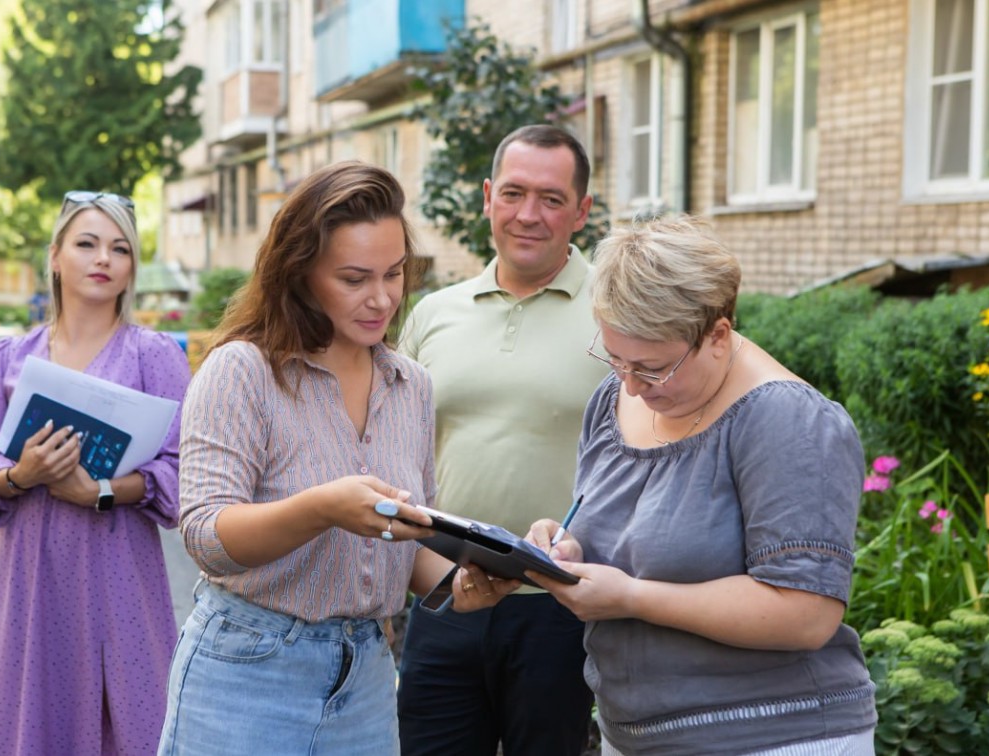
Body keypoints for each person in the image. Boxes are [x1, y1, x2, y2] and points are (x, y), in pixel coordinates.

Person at [157, 161, 486, 756]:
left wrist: (466, 584)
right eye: (355, 278)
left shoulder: (410, 385)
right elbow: (204, 536)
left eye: (394, 273)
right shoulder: (243, 371)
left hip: (365, 680)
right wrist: (322, 508)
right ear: (300, 272)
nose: (382, 297)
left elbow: (406, 544)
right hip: (246, 670)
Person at [525, 216, 877, 754]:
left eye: (655, 368)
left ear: (718, 334)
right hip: (635, 735)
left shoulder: (786, 419)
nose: (633, 386)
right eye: (615, 358)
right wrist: (567, 546)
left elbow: (807, 614)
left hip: (773, 736)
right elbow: (629, 535)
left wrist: (633, 597)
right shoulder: (611, 399)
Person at [396, 124, 609, 755]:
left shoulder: (620, 309)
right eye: (513, 193)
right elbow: (392, 443)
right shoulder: (435, 313)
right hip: (442, 595)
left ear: (582, 211)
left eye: (551, 198)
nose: (528, 215)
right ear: (488, 197)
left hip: (561, 606)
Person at [0, 191, 191, 755]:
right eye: (87, 243)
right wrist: (22, 474)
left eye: (120, 248)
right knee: (28, 718)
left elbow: (185, 472)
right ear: (56, 256)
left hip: (119, 573)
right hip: (29, 576)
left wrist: (102, 492)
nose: (103, 259)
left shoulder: (154, 356)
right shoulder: (11, 359)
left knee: (128, 719)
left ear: (132, 266)